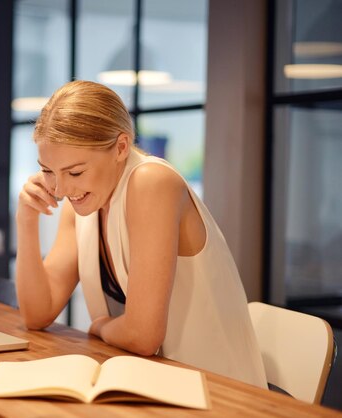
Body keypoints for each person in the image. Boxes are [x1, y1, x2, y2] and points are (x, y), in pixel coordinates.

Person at [15, 80, 267, 389]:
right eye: (49, 171)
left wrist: (102, 327)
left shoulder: (152, 181)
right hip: (150, 383)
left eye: (75, 172)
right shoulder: (82, 202)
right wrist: (26, 220)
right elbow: (37, 314)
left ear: (121, 147)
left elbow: (143, 335)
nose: (60, 189)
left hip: (216, 391)